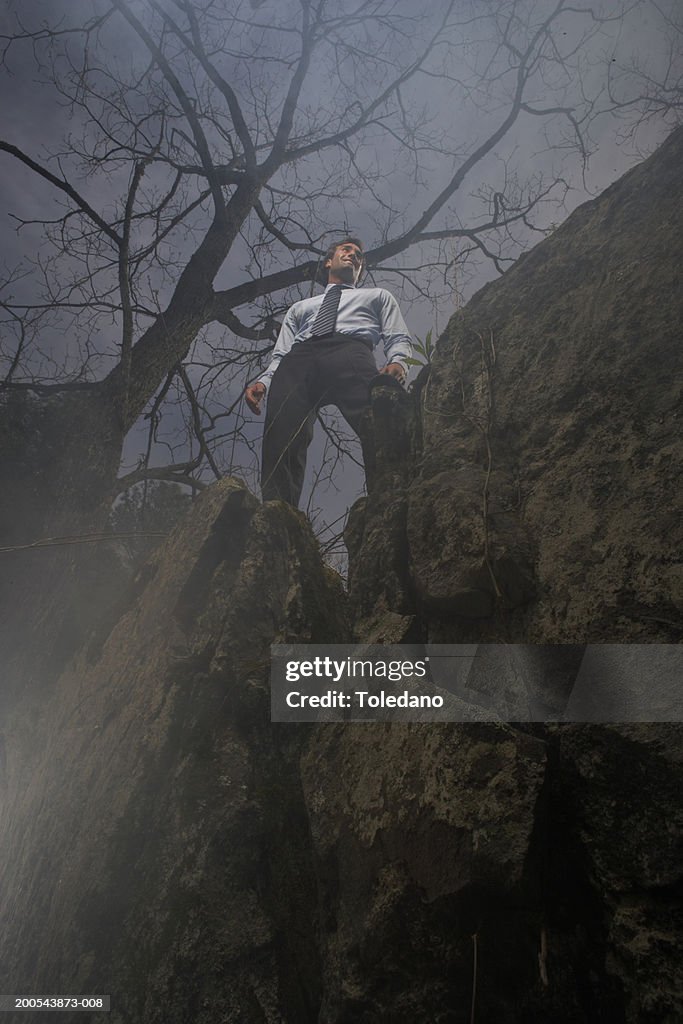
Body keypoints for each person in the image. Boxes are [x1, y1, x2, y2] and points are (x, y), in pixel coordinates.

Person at [244, 237, 412, 506]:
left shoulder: (377, 296)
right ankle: (278, 514)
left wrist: (398, 362)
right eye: (346, 250)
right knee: (281, 435)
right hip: (298, 359)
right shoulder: (300, 308)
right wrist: (265, 381)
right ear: (328, 261)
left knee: (378, 415)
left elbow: (398, 335)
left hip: (350, 349)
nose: (354, 255)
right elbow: (281, 353)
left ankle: (394, 493)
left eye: (359, 255)